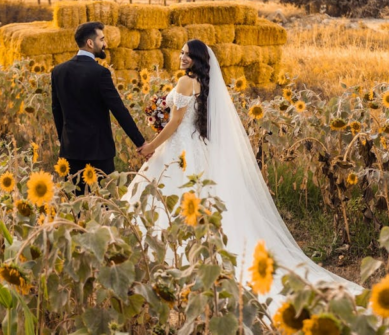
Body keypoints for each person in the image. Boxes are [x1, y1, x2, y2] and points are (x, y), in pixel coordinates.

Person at [126, 39, 362, 310]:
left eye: (188, 55)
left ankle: (167, 256)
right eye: (181, 53)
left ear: (199, 60)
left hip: (178, 150)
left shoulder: (183, 82)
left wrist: (151, 146)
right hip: (196, 147)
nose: (182, 58)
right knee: (197, 198)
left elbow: (176, 121)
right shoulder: (205, 85)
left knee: (168, 196)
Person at [51, 21, 148, 192]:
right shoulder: (100, 73)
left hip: (70, 151)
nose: (106, 44)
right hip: (99, 151)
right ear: (90, 43)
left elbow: (56, 110)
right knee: (105, 205)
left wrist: (64, 141)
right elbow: (119, 110)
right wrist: (140, 143)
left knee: (75, 209)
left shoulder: (58, 71)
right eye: (102, 39)